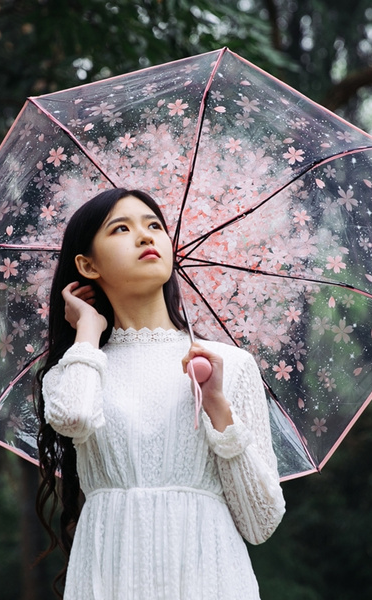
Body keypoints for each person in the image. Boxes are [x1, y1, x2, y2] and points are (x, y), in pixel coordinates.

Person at [35, 188, 285, 600]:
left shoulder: (228, 364)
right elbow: (75, 417)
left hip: (212, 579)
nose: (146, 236)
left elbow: (260, 522)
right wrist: (88, 332)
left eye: (154, 226)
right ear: (87, 265)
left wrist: (217, 405)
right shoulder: (78, 367)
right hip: (110, 575)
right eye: (121, 228)